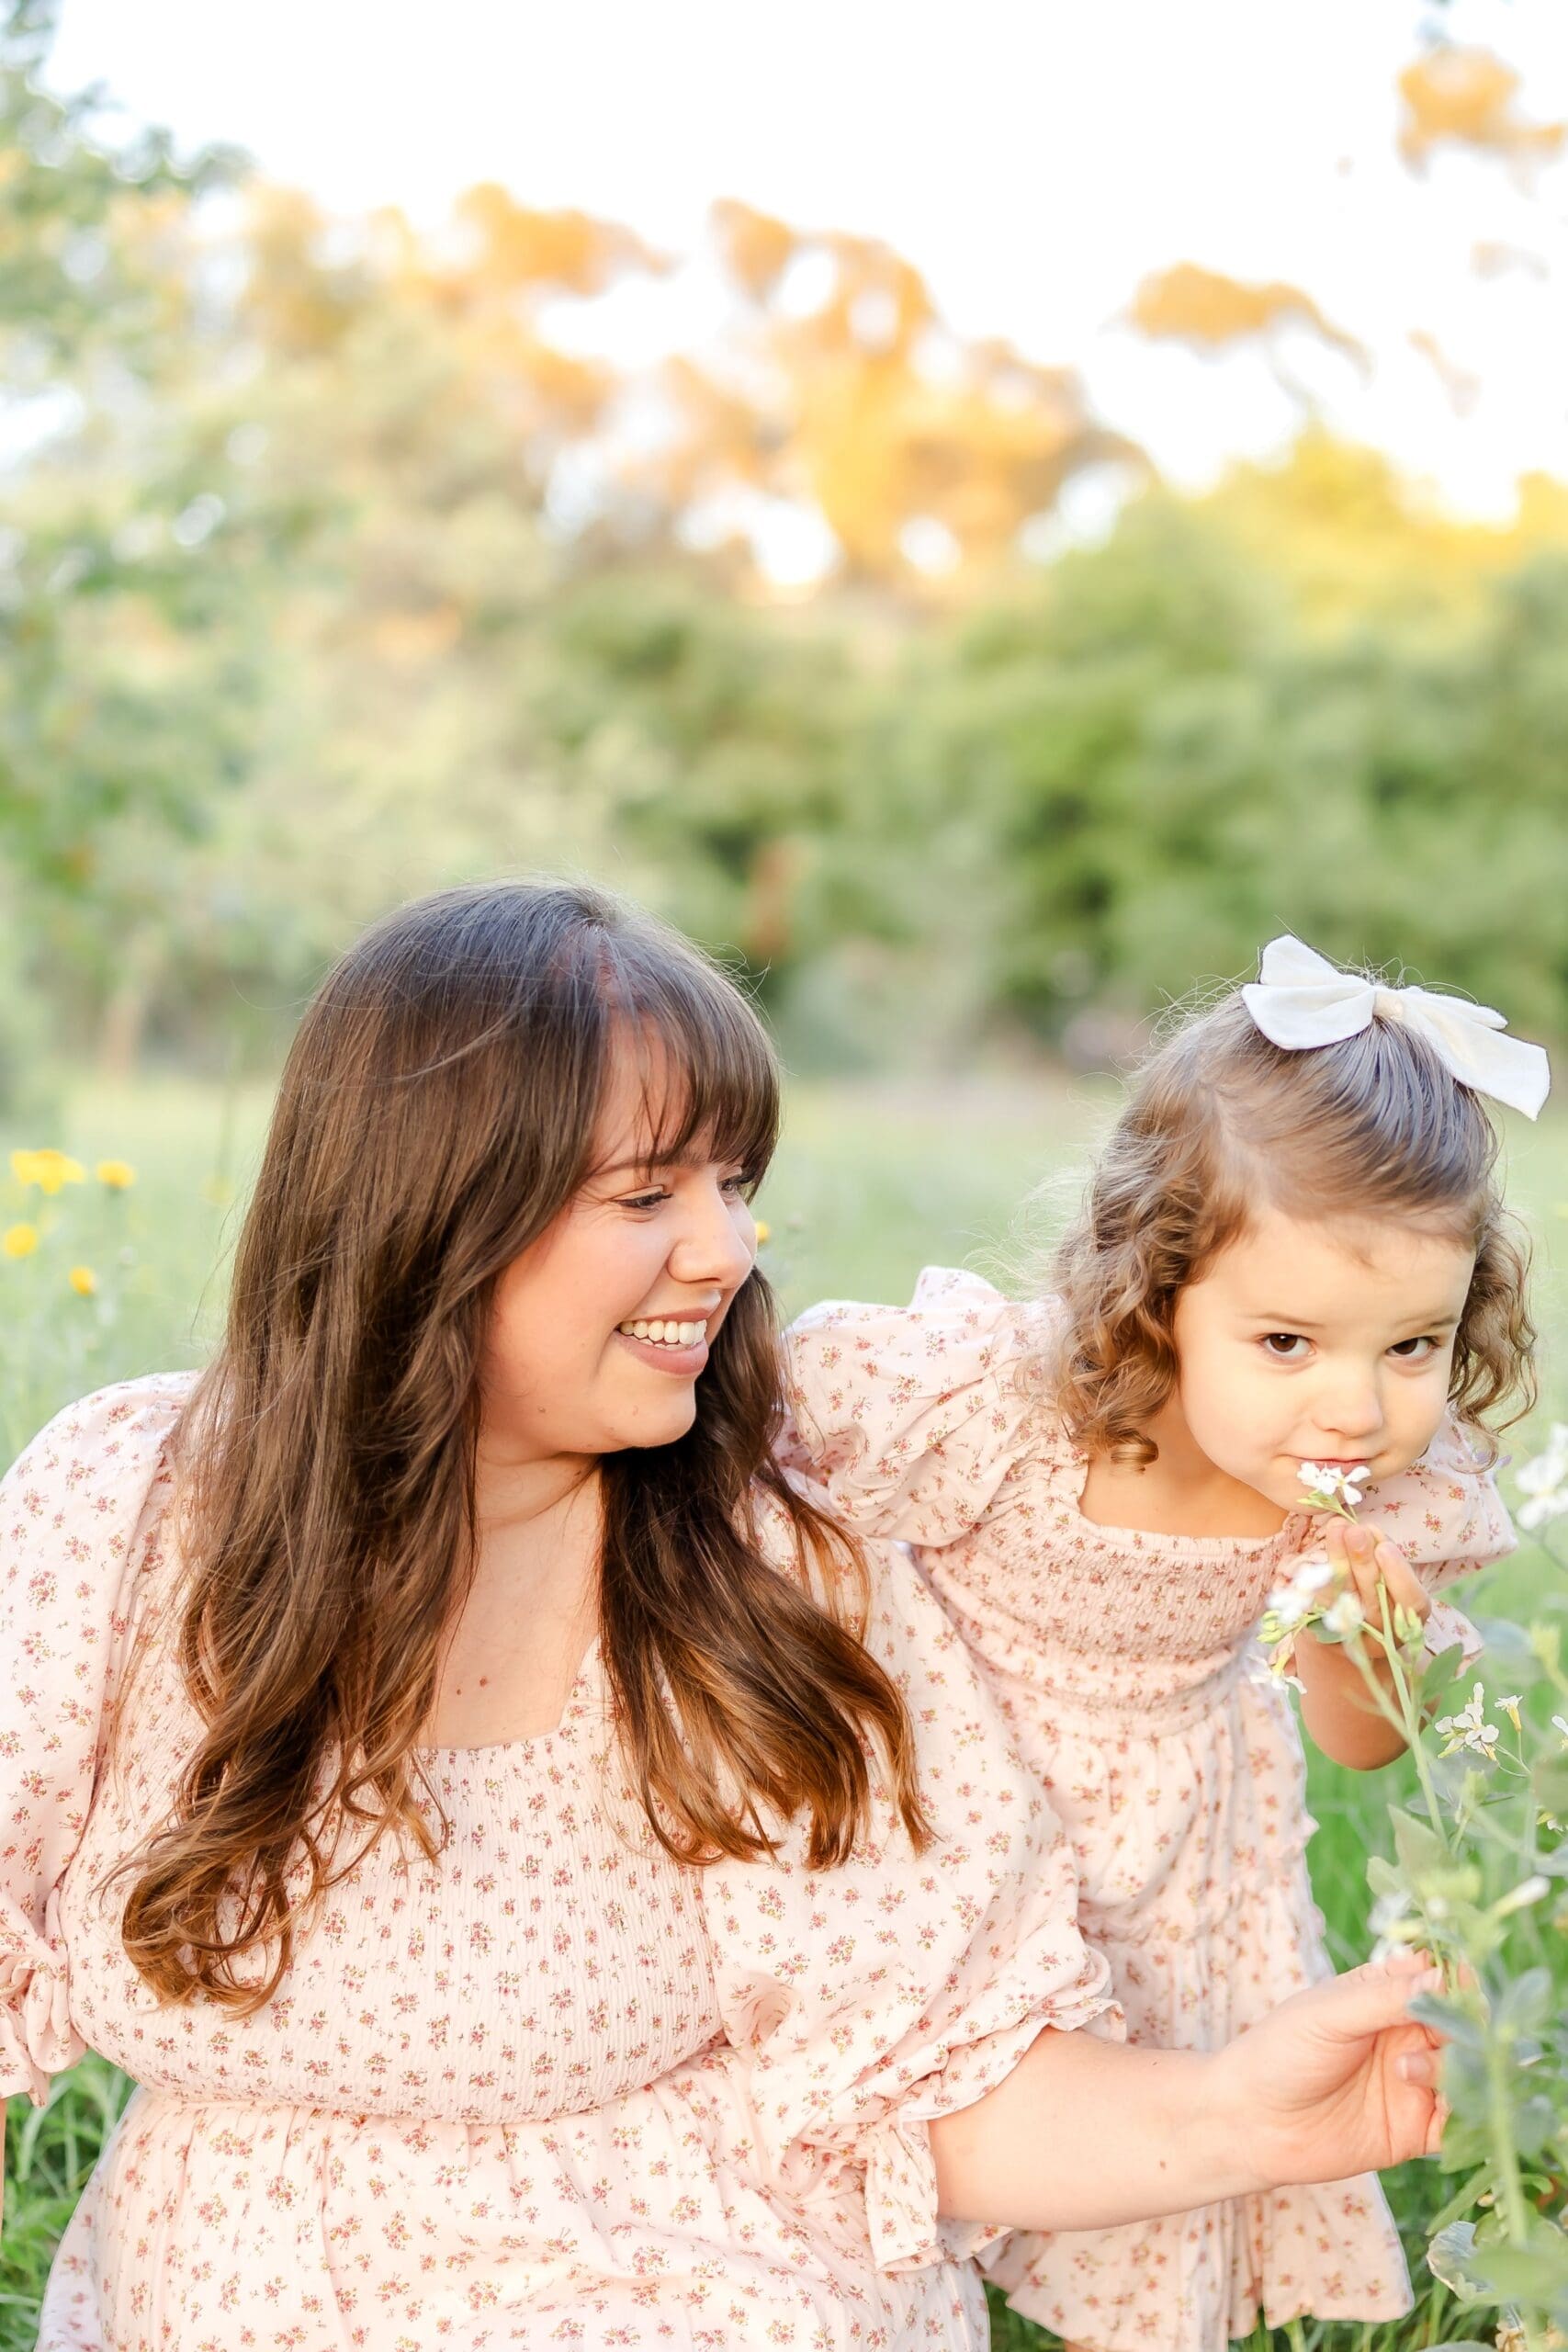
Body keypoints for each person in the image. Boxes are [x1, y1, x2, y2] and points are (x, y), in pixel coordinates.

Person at [3, 889, 1447, 2351]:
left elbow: (938, 2075)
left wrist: (1239, 2114)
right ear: (430, 1214)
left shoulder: (765, 1564)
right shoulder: (128, 1512)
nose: (727, 1250)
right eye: (647, 1197)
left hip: (708, 2278)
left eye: (734, 1184)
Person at [783, 932, 1547, 2351]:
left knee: (1155, 2154)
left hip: (1183, 1843)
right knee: (907, 2127)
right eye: (1287, 1343)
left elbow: (1361, 1746)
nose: (1355, 1409)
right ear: (1160, 1292)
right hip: (955, 1807)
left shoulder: (1378, 1500)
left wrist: (1368, 1637)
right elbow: (761, 1474)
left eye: (1411, 1347)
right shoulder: (1006, 1412)